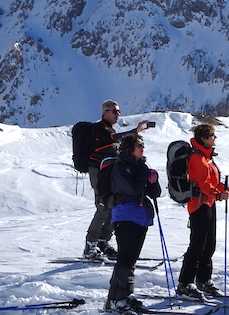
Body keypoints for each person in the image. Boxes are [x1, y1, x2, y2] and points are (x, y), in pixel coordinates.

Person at [177, 123, 229, 300]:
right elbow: (204, 185)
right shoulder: (197, 159)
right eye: (212, 135)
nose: (215, 138)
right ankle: (185, 283)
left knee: (209, 245)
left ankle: (203, 280)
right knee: (198, 245)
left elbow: (212, 183)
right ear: (204, 139)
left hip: (208, 203)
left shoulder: (207, 158)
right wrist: (220, 194)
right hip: (199, 205)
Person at [83, 100, 150, 261]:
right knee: (103, 205)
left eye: (118, 111)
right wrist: (135, 131)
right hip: (99, 171)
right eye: (114, 111)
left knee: (112, 204)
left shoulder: (108, 128)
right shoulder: (98, 128)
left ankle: (103, 242)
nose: (117, 114)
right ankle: (90, 245)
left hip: (108, 171)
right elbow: (113, 138)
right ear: (105, 112)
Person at [105, 134, 161, 313]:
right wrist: (146, 175)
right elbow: (133, 189)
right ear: (129, 148)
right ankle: (116, 299)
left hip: (139, 216)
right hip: (125, 215)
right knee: (125, 259)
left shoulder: (140, 166)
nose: (143, 147)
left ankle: (125, 296)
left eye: (143, 144)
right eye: (139, 144)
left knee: (130, 260)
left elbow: (155, 193)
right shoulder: (121, 166)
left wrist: (153, 181)